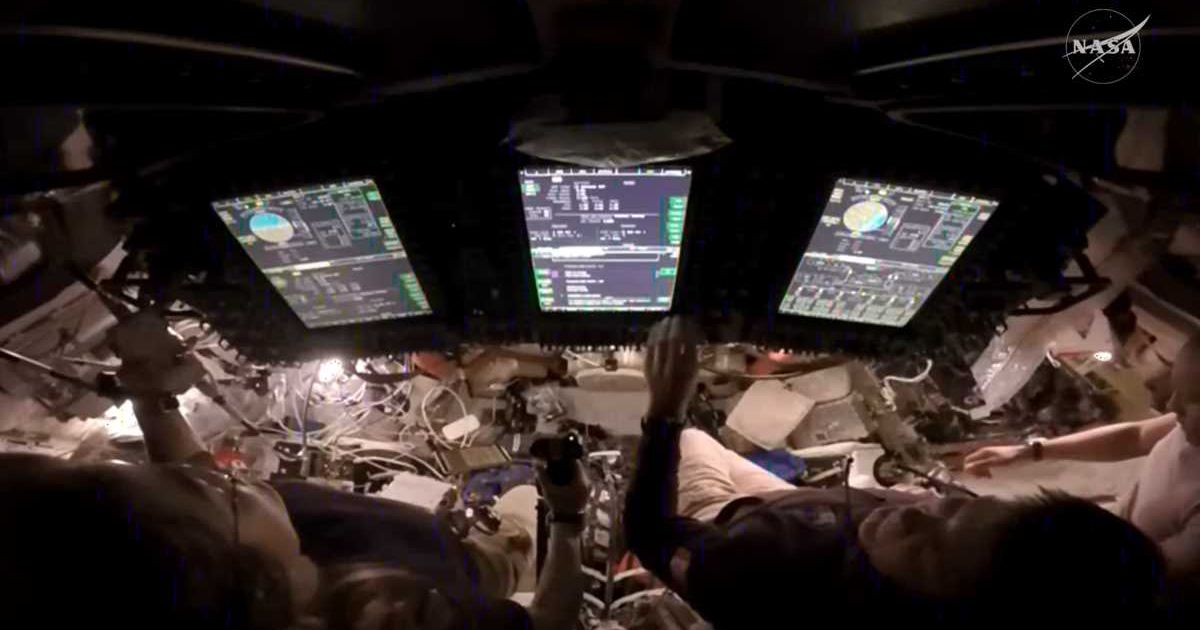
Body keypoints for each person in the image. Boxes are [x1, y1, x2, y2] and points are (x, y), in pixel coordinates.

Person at [1, 311, 586, 629]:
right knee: (512, 534)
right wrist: (564, 515)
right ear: (252, 585)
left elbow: (178, 479)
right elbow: (550, 618)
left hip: (446, 552)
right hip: (480, 570)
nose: (221, 469)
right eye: (218, 489)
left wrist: (155, 398)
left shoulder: (220, 554)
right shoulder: (408, 616)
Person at [625, 316, 1165, 628]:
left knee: (689, 437)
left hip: (735, 526)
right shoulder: (934, 554)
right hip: (796, 513)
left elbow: (649, 535)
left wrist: (666, 407)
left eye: (930, 548)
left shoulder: (754, 575)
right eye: (953, 507)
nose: (908, 510)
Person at [964, 335, 1200, 576]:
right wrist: (1029, 450)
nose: (1171, 406)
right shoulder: (1186, 428)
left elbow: (1145, 580)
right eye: (1176, 391)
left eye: (1192, 400)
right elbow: (1135, 437)